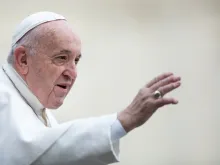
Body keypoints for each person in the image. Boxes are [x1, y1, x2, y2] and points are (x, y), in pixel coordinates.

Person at [0, 11, 181, 165]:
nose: (73, 73)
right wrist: (124, 120)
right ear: (23, 59)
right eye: (61, 58)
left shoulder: (32, 105)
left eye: (76, 61)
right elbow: (37, 151)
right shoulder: (3, 97)